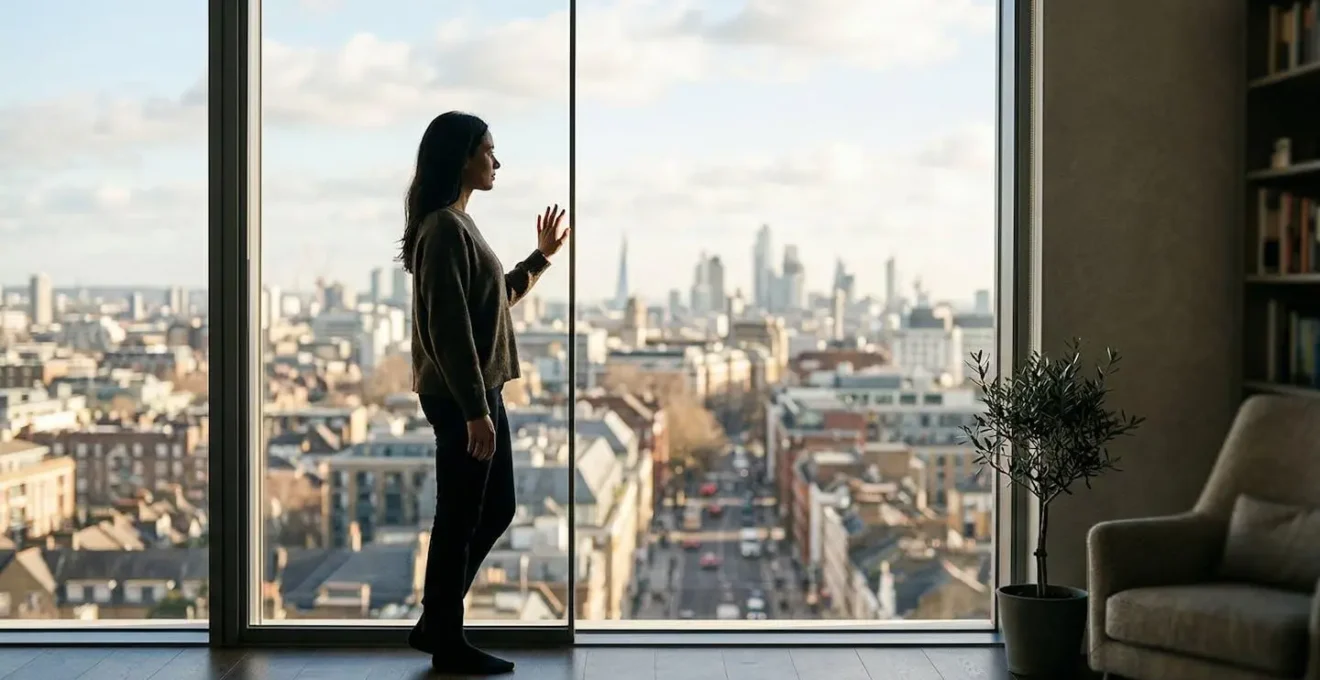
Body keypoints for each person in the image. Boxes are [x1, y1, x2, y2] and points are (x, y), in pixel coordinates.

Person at [399, 111, 569, 675]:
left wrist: (540, 258)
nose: (496, 162)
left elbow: (489, 303)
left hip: (475, 392)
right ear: (461, 157)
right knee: (463, 514)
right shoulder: (445, 228)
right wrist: (476, 412)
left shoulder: (456, 225)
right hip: (462, 396)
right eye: (488, 150)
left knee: (489, 507)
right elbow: (449, 331)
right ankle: (444, 634)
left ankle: (437, 622)